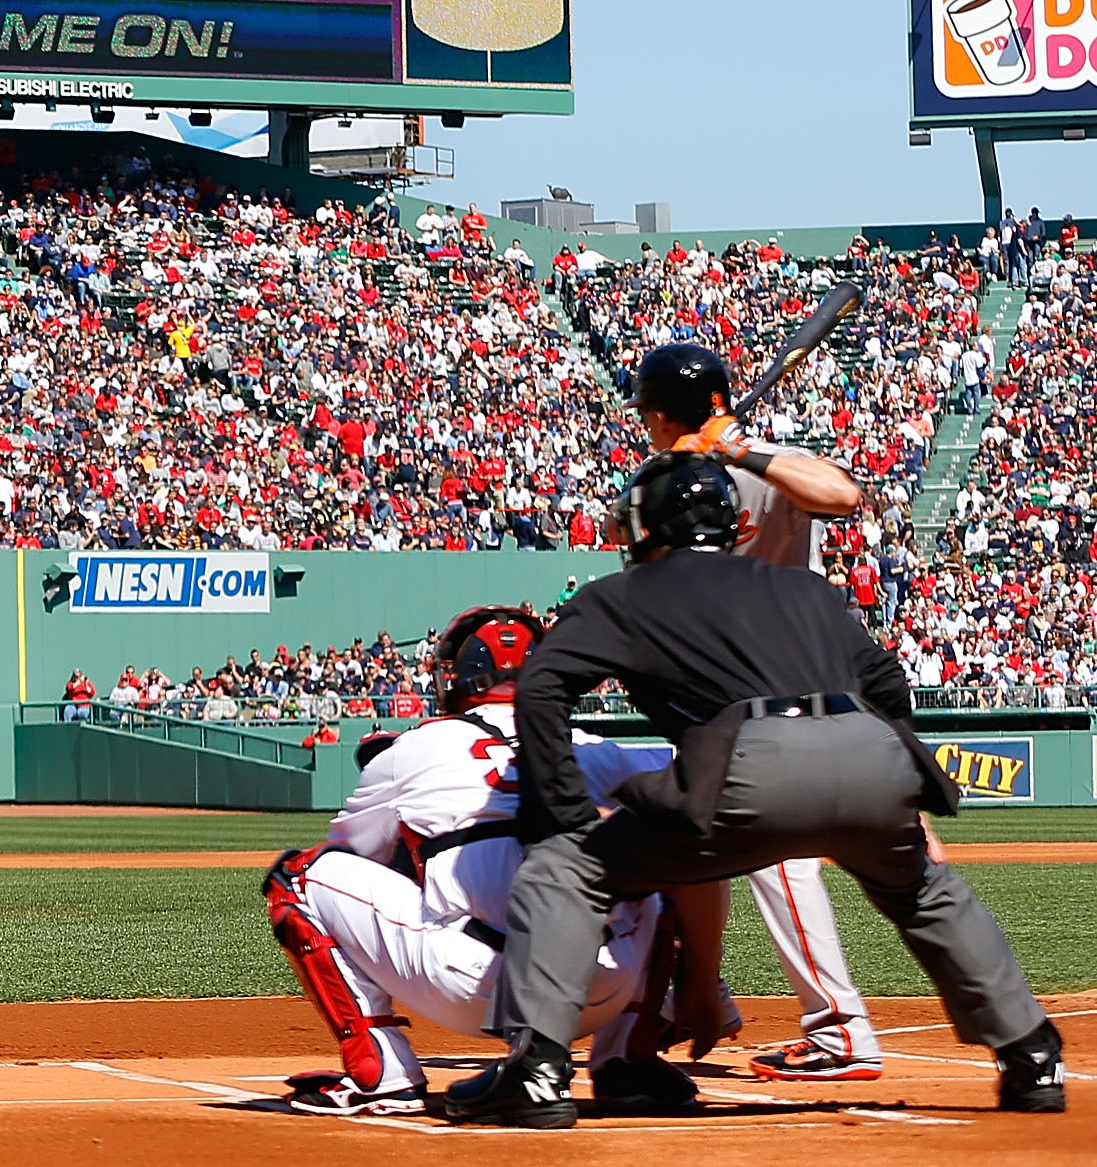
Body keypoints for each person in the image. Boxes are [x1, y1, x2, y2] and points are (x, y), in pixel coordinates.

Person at [453, 452, 1062, 1127]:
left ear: (642, 526)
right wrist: (897, 790)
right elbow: (888, 685)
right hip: (870, 749)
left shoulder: (621, 594)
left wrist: (560, 811)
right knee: (921, 888)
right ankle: (1030, 1053)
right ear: (732, 519)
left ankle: (536, 1071)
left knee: (567, 869)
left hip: (747, 762)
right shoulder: (803, 588)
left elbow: (540, 684)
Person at [263, 606, 706, 1118]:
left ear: (456, 675)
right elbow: (695, 782)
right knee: (658, 860)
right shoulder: (588, 745)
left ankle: (379, 1072)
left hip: (470, 985)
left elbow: (350, 852)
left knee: (299, 878)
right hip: (601, 983)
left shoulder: (414, 747)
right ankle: (628, 1057)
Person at [634, 341, 884, 1083]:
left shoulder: (765, 462)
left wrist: (741, 450)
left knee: (779, 854)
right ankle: (703, 994)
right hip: (712, 699)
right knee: (680, 840)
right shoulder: (659, 482)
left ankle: (840, 1031)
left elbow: (841, 496)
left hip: (784, 683)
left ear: (655, 411)